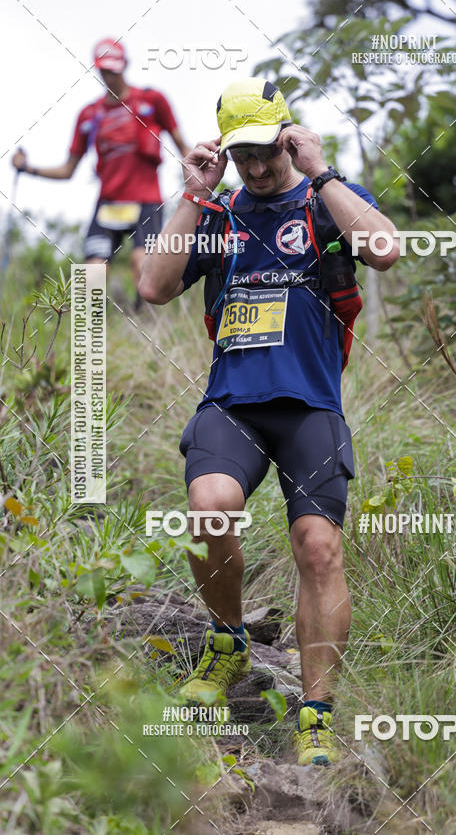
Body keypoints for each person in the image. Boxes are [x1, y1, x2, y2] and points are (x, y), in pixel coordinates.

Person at [138, 77, 399, 766]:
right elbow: (154, 287)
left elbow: (385, 248)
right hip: (232, 406)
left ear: (289, 137)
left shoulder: (323, 201)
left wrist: (322, 171)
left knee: (318, 548)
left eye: (266, 152)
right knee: (210, 505)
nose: (254, 167)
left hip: (311, 409)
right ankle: (228, 642)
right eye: (240, 155)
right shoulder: (216, 217)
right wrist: (192, 192)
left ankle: (316, 715)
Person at [11, 38, 190, 305]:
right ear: (97, 70)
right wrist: (27, 168)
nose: (111, 76)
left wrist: (200, 184)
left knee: (141, 263)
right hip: (108, 203)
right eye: (105, 71)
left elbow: (182, 146)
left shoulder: (152, 101)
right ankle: (88, 342)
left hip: (146, 200)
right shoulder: (90, 115)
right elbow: (68, 169)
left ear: (125, 66)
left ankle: (150, 333)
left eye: (114, 70)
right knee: (90, 274)